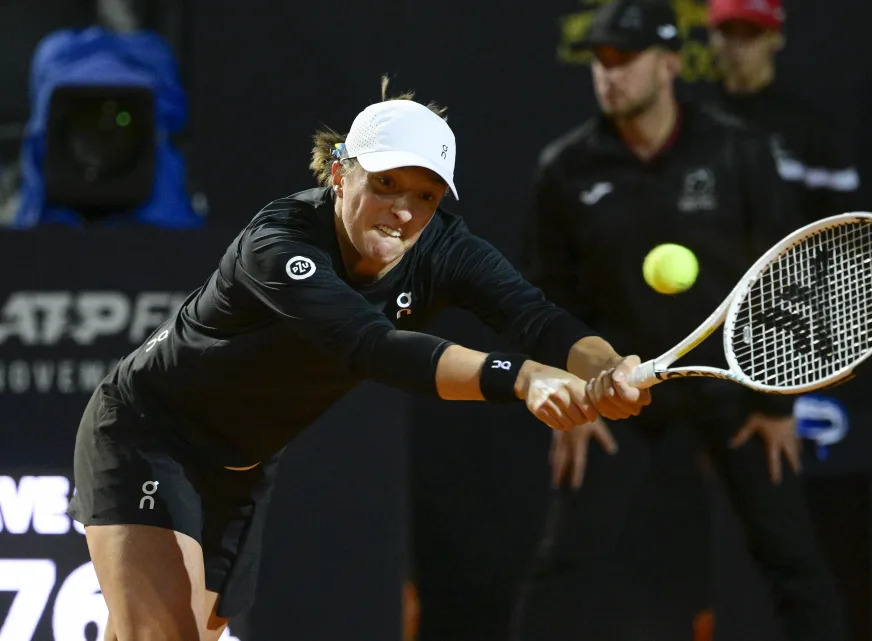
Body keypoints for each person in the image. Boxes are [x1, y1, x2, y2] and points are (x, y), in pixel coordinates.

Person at [66, 80, 653, 640]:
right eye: (387, 184)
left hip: (241, 468)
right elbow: (373, 348)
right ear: (342, 175)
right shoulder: (278, 243)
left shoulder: (446, 247)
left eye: (424, 196)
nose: (403, 211)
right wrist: (521, 378)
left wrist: (606, 366)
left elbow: (538, 319)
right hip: (148, 434)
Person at [511, 1, 846, 640]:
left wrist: (778, 402)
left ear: (669, 64)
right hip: (620, 388)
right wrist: (574, 391)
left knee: (792, 556)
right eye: (600, 61)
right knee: (564, 560)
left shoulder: (737, 152)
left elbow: (788, 276)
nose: (609, 75)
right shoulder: (565, 168)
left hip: (734, 386)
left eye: (624, 59)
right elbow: (544, 296)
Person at [707, 0, 859, 222]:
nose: (737, 47)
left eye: (751, 33)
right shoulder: (689, 118)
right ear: (712, 38)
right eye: (728, 32)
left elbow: (844, 226)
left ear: (775, 38)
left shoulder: (811, 128)